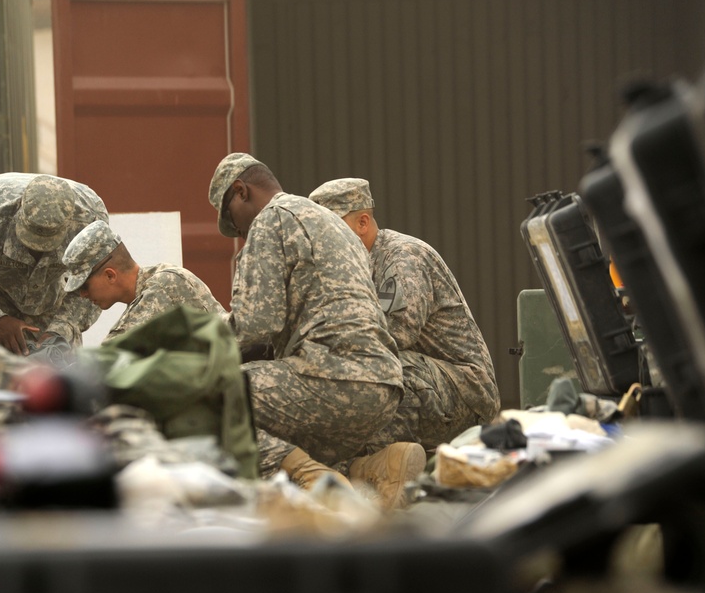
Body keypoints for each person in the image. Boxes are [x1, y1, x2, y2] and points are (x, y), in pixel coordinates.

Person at [208, 153, 426, 509]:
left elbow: (254, 323)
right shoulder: (331, 222)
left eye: (235, 223)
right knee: (278, 420)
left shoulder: (271, 219)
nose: (241, 235)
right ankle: (372, 467)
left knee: (209, 400)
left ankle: (314, 480)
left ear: (240, 191)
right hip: (383, 387)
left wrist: (196, 349)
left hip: (332, 376)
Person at [309, 178, 501, 451]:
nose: (322, 243)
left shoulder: (404, 256)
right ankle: (363, 464)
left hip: (466, 393)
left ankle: (375, 463)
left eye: (329, 231)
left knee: (376, 369)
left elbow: (392, 335)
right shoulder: (351, 268)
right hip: (430, 384)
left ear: (362, 223)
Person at [0, 173, 109, 367]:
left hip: (50, 308)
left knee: (57, 386)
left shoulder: (89, 221)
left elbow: (94, 284)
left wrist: (61, 328)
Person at [62, 220, 226, 342]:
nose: (83, 294)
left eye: (85, 285)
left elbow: (110, 358)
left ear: (110, 275)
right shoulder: (146, 295)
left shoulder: (164, 284)